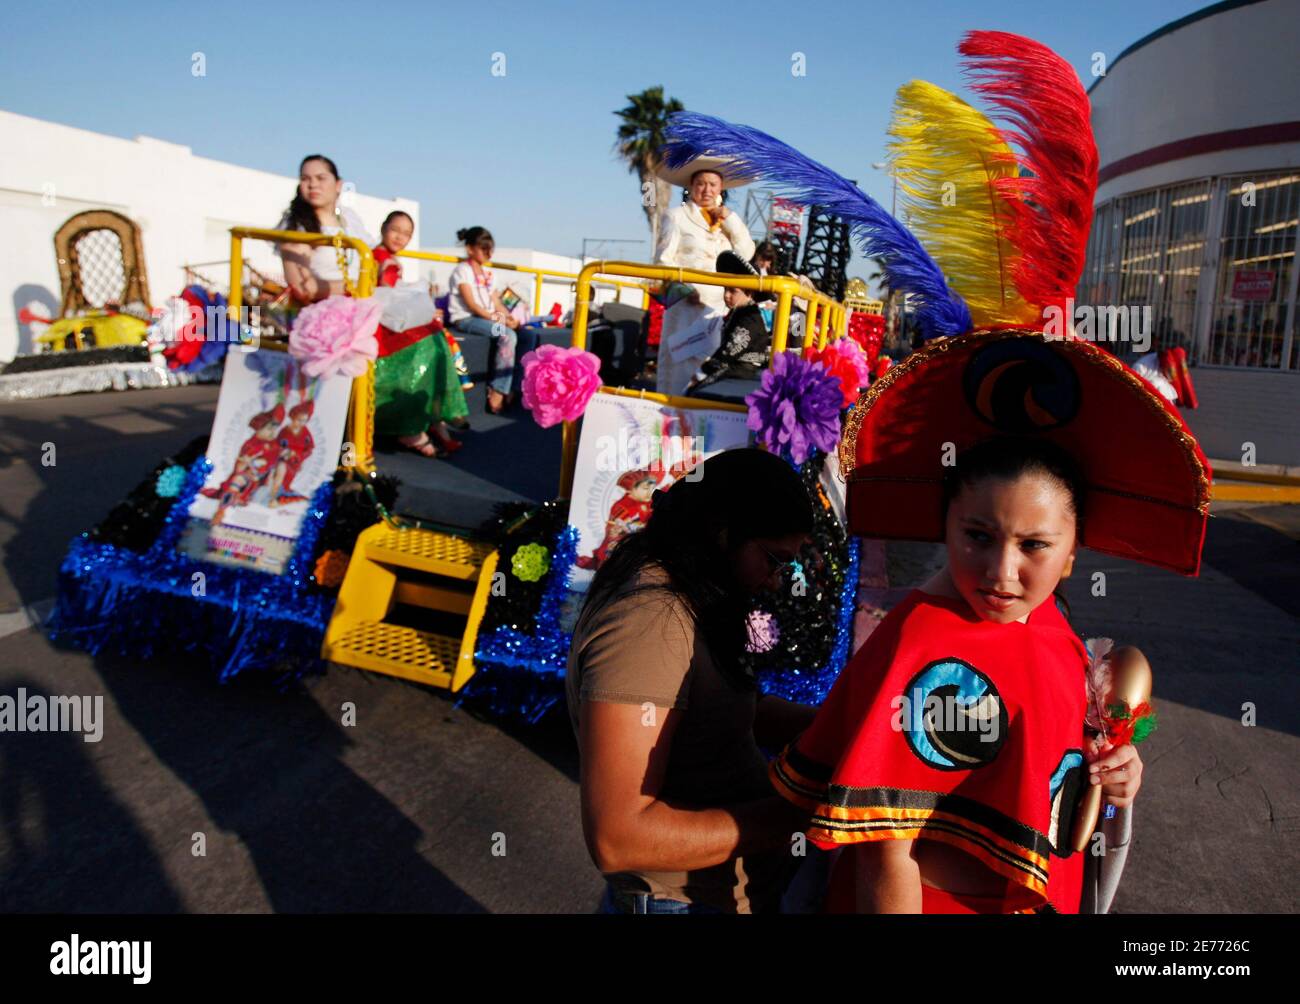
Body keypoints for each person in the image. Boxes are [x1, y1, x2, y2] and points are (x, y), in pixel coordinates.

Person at [567, 448, 818, 914]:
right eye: (773, 560)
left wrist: (842, 729)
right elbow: (618, 837)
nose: (777, 582)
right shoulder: (649, 620)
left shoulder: (693, 586)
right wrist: (802, 814)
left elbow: (725, 712)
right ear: (722, 533)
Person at [653, 160, 755, 396]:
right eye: (701, 184)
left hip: (717, 310)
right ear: (691, 185)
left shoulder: (729, 221)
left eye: (712, 184)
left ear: (721, 188)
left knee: (708, 370)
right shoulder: (675, 216)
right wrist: (684, 290)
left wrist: (731, 220)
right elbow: (662, 261)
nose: (707, 190)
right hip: (685, 307)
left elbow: (747, 254)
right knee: (678, 369)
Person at [369, 213, 466, 457]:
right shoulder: (382, 260)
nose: (400, 237)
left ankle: (436, 416)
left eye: (406, 234)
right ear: (383, 228)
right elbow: (386, 298)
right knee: (429, 344)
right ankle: (424, 422)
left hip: (383, 318)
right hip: (374, 325)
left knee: (437, 335)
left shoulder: (387, 259)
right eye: (395, 230)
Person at [448, 227, 539, 414]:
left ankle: (514, 386)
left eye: (490, 249)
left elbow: (495, 302)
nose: (488, 253)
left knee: (527, 336)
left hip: (488, 317)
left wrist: (508, 318)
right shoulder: (462, 271)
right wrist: (501, 321)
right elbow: (472, 305)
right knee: (506, 335)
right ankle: (498, 389)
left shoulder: (489, 274)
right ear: (470, 249)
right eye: (484, 249)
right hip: (467, 318)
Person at [277, 155, 374, 304]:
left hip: (360, 305)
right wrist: (357, 285)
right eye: (305, 179)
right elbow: (303, 288)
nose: (313, 184)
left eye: (321, 178)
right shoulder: (296, 227)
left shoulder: (349, 217)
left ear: (338, 185)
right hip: (322, 315)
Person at [685, 251, 772, 393]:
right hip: (736, 369)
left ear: (750, 292)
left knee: (696, 392)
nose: (726, 295)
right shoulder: (740, 312)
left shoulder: (750, 318)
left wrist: (702, 371)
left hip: (743, 372)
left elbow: (728, 353)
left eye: (733, 291)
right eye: (725, 289)